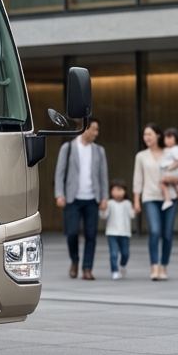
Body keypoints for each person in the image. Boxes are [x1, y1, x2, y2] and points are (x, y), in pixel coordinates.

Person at [54, 117, 109, 280]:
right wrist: (59, 194)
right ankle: (74, 261)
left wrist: (104, 197)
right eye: (94, 129)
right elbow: (60, 173)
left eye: (97, 129)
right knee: (71, 233)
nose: (96, 132)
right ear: (84, 128)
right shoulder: (68, 148)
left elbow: (103, 176)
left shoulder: (99, 150)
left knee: (91, 235)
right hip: (72, 198)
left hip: (92, 198)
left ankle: (87, 268)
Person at [134, 123, 175, 281]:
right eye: (145, 135)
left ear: (158, 135)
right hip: (150, 197)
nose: (147, 138)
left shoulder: (169, 153)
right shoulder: (141, 156)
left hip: (170, 198)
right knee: (155, 231)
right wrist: (136, 201)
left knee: (167, 234)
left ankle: (164, 265)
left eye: (150, 134)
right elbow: (138, 180)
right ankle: (154, 267)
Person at [100, 180, 135, 280]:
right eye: (115, 190)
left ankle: (122, 266)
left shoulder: (127, 203)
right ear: (111, 192)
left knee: (125, 253)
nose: (118, 193)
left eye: (120, 190)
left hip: (125, 233)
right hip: (112, 233)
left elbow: (132, 215)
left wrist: (135, 210)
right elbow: (104, 216)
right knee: (114, 253)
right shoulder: (109, 203)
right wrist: (102, 209)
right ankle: (114, 270)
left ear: (125, 191)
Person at [158, 127, 178, 209]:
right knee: (176, 185)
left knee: (162, 182)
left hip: (175, 172)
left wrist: (168, 169)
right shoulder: (168, 150)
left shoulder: (176, 149)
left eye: (170, 137)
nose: (168, 140)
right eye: (166, 138)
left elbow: (177, 162)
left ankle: (168, 199)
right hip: (173, 172)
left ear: (176, 138)